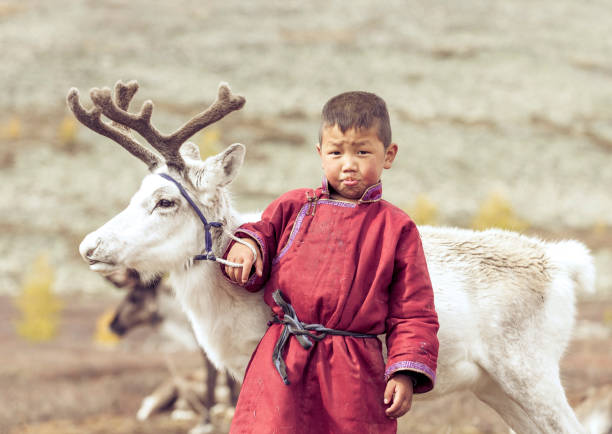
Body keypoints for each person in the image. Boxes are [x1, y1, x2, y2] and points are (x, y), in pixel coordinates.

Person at [222, 91, 439, 433]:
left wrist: (404, 370)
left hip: (353, 371)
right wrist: (247, 245)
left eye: (362, 151)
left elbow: (414, 310)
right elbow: (261, 233)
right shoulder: (294, 206)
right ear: (321, 154)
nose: (348, 164)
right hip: (284, 362)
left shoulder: (396, 227)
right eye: (337, 152)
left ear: (389, 155)